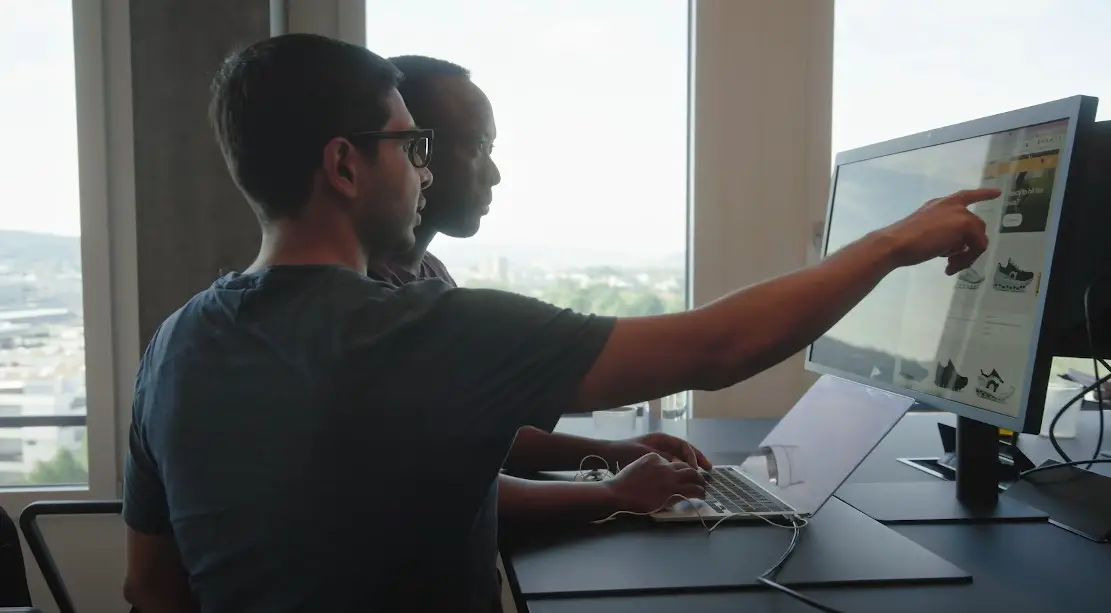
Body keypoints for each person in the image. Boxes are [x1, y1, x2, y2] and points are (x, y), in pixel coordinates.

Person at [122, 33, 997, 613]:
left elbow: (150, 590)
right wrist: (892, 242)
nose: (426, 172)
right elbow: (719, 346)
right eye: (412, 147)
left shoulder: (171, 346)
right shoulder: (423, 330)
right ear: (345, 165)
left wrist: (609, 479)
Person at [366, 54, 710, 524]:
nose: (494, 173)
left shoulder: (428, 273)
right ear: (414, 149)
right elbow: (437, 483)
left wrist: (611, 452)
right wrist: (613, 494)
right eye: (479, 146)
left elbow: (474, 430)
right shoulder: (371, 302)